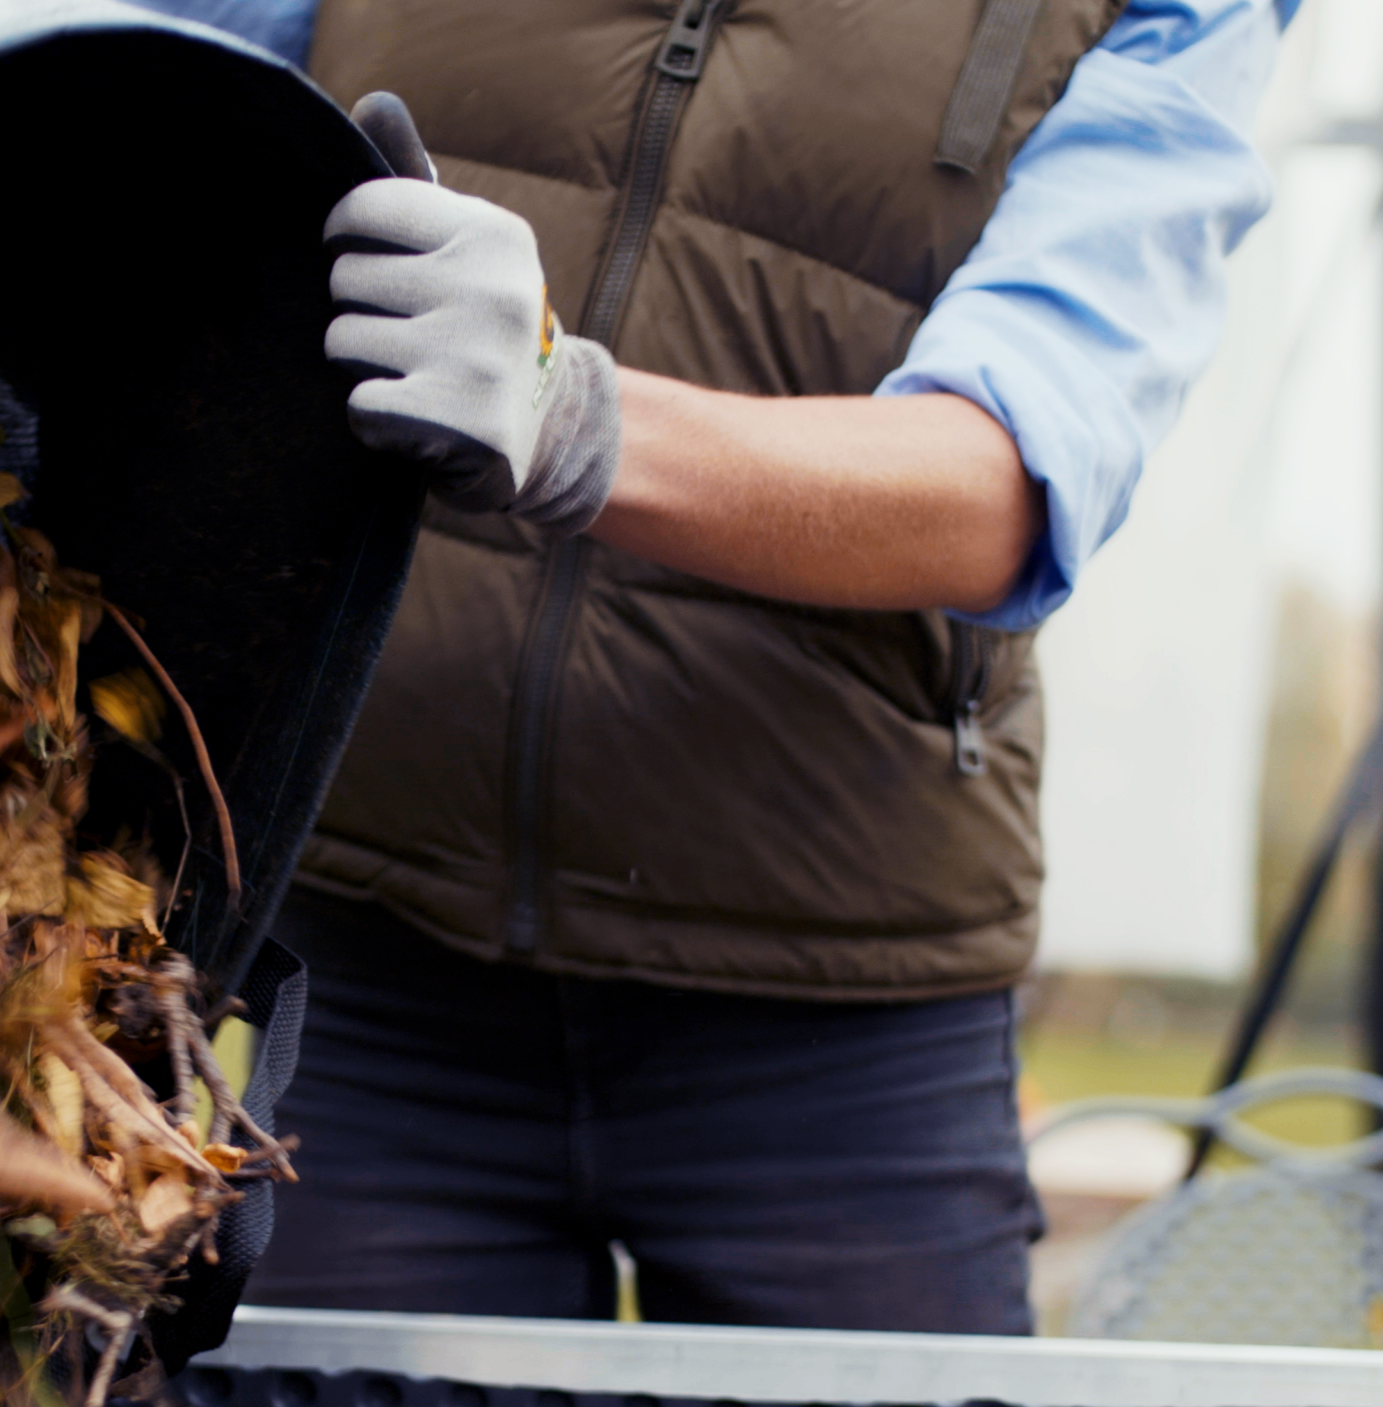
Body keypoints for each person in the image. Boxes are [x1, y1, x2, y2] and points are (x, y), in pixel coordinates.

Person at [166, 0, 1290, 1335]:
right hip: (379, 982)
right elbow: (128, 133)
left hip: (838, 1033)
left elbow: (1005, 477)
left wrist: (574, 414)